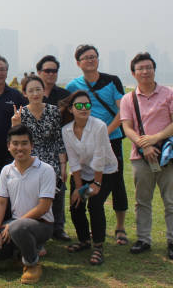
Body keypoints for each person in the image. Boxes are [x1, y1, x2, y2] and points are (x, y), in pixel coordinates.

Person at [120, 52, 173, 260]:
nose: (145, 71)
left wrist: (155, 138)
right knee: (142, 200)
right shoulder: (128, 98)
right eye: (141, 68)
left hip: (166, 154)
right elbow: (127, 127)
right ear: (133, 73)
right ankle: (143, 239)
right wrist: (143, 144)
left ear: (154, 70)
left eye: (149, 67)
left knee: (171, 201)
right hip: (140, 156)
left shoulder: (169, 94)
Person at [0, 125, 55, 285]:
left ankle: (32, 263)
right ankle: (19, 251)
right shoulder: (6, 171)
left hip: (41, 225)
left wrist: (13, 226)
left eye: (24, 143)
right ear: (8, 146)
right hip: (15, 224)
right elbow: (1, 202)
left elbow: (43, 207)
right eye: (15, 143)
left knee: (19, 227)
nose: (19, 148)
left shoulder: (46, 170)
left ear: (32, 145)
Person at [66, 44, 129, 245]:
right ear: (78, 63)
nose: (91, 60)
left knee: (117, 183)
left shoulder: (112, 81)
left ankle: (120, 227)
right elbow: (66, 109)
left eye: (94, 56)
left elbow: (123, 110)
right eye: (86, 58)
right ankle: (88, 234)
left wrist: (105, 132)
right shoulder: (73, 86)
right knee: (91, 187)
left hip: (112, 136)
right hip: (86, 142)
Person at [60, 90, 118, 265]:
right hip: (83, 172)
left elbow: (100, 157)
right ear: (71, 109)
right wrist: (78, 188)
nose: (83, 108)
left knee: (95, 204)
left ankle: (98, 246)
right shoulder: (66, 130)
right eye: (79, 105)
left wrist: (96, 183)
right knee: (76, 203)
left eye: (87, 105)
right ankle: (84, 240)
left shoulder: (99, 126)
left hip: (105, 171)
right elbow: (74, 160)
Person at [11, 75, 70, 242]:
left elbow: (58, 138)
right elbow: (16, 140)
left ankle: (58, 227)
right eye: (31, 90)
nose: (35, 93)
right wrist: (15, 124)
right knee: (34, 194)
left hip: (52, 157)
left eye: (38, 89)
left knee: (58, 189)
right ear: (25, 94)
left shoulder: (53, 111)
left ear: (44, 91)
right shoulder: (22, 113)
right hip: (32, 158)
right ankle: (35, 226)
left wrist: (63, 165)